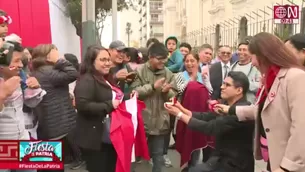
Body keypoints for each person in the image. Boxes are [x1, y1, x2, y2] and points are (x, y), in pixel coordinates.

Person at [215, 32, 305, 172]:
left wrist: (287, 167)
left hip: (288, 163)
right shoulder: (271, 78)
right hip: (273, 156)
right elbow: (263, 109)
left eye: (252, 57)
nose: (252, 63)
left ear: (264, 55)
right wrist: (230, 110)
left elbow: (301, 127)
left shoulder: (296, 77)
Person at [165, 71, 255, 172]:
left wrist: (179, 114)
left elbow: (209, 127)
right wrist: (181, 108)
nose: (222, 87)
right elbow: (206, 116)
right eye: (223, 83)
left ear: (239, 90)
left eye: (227, 85)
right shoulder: (227, 104)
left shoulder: (241, 111)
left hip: (235, 165)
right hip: (221, 159)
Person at [130, 42, 177, 172]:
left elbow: (173, 98)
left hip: (160, 122)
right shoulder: (139, 71)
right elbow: (134, 92)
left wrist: (167, 91)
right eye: (159, 59)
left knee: (158, 156)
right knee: (134, 155)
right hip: (141, 121)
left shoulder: (168, 73)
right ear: (150, 57)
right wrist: (152, 87)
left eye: (165, 59)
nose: (163, 62)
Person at [74, 45, 121, 172]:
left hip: (107, 136)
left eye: (108, 60)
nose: (107, 63)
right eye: (103, 60)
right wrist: (109, 105)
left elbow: (113, 96)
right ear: (91, 61)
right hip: (94, 139)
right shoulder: (87, 80)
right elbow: (82, 105)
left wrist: (130, 95)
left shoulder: (105, 78)